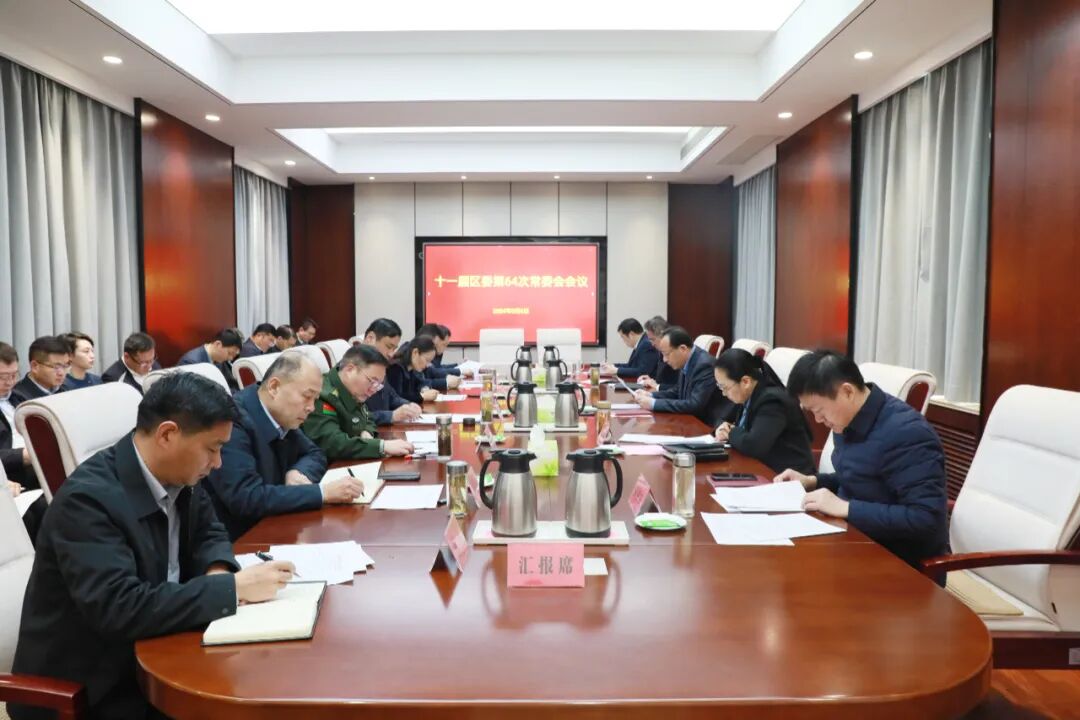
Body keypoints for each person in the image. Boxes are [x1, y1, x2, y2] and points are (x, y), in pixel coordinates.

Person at [9, 373, 296, 720]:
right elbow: (120, 607)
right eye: (212, 448)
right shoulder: (87, 501)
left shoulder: (179, 473)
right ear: (168, 435)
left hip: (158, 646)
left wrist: (217, 571)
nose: (218, 462)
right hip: (94, 686)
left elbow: (210, 531)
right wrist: (231, 589)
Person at [774, 350, 949, 570]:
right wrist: (813, 481)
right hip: (852, 541)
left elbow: (925, 519)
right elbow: (861, 477)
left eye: (819, 410)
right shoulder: (847, 419)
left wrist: (846, 508)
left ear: (847, 391)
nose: (818, 420)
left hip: (899, 564)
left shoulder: (908, 433)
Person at [204, 353, 362, 541]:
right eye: (307, 397)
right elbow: (246, 497)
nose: (311, 407)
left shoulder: (281, 415)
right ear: (274, 387)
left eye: (315, 399)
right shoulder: (233, 421)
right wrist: (322, 493)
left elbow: (315, 453)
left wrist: (298, 471)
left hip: (278, 522)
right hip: (243, 538)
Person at [303, 344, 415, 461]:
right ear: (350, 370)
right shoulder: (322, 395)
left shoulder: (352, 390)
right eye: (372, 381)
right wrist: (381, 446)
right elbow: (333, 443)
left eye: (378, 385)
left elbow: (368, 417)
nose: (373, 390)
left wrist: (367, 431)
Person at [712, 349, 814, 474]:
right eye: (720, 387)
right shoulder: (747, 394)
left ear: (745, 382)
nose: (723, 393)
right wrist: (722, 428)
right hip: (762, 468)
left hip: (790, 476)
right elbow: (721, 417)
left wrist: (731, 432)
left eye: (724, 387)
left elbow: (754, 445)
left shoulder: (772, 402)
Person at [633, 326, 735, 426]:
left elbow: (695, 405)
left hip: (707, 425)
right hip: (691, 420)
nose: (664, 360)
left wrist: (654, 404)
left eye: (666, 354)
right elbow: (678, 391)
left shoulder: (705, 365)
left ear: (683, 349)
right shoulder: (688, 360)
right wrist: (651, 395)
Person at [360, 318, 422, 424]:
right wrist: (391, 416)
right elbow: (355, 418)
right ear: (370, 338)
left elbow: (392, 396)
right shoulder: (352, 370)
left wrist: (408, 405)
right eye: (389, 347)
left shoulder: (379, 366)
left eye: (394, 349)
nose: (391, 354)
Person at [0, 342, 33, 488]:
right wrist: (23, 455)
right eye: (2, 377)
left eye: (14, 375)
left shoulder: (20, 397)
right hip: (10, 474)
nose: (9, 382)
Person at [178, 328, 244, 391]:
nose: (230, 358)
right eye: (229, 353)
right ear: (218, 344)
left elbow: (230, 384)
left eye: (233, 355)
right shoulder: (191, 362)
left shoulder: (220, 359)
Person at [386, 336, 439, 405]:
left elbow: (421, 383)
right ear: (415, 352)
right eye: (427, 360)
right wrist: (422, 396)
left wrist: (424, 388)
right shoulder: (395, 368)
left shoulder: (411, 368)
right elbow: (397, 398)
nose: (427, 365)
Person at [13, 335, 70, 400]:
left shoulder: (65, 390)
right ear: (35, 366)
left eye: (65, 366)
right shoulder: (18, 398)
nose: (61, 373)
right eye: (56, 367)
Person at [635, 316, 680, 391]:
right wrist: (652, 380)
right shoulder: (660, 351)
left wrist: (657, 386)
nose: (652, 344)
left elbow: (679, 388)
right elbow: (663, 379)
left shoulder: (675, 352)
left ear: (662, 335)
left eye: (653, 339)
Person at [415, 323, 461, 391]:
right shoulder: (408, 357)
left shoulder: (424, 355)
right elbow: (418, 384)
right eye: (434, 346)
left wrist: (447, 377)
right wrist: (446, 382)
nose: (435, 350)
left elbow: (431, 371)